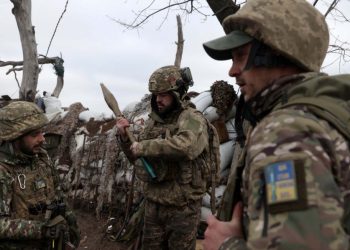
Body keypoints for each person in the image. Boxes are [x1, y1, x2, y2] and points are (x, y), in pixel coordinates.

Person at [201, 0, 350, 249]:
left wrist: (226, 245)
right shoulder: (331, 117)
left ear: (275, 53)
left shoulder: (287, 133)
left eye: (240, 56)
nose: (232, 70)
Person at [116, 65, 215, 250]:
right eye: (156, 95)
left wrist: (144, 147)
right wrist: (124, 138)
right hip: (154, 204)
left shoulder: (192, 118)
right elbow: (138, 159)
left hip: (182, 208)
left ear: (177, 93)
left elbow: (187, 146)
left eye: (163, 95)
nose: (158, 100)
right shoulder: (153, 123)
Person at [0, 101, 80, 249]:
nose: (42, 139)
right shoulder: (3, 171)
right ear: (15, 136)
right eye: (34, 134)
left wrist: (70, 221)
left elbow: (57, 194)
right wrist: (41, 229)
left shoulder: (41, 158)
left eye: (41, 132)